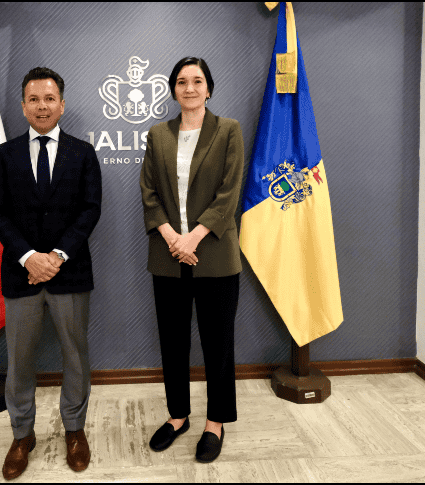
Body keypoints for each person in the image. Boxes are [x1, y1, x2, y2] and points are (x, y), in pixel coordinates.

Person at [0, 67, 102, 480]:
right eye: (34, 99)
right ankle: (22, 436)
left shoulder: (83, 153)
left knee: (76, 354)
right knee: (19, 360)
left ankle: (75, 431)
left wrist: (54, 256)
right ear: (22, 106)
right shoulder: (4, 155)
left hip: (70, 273)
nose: (42, 106)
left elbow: (90, 210)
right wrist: (29, 258)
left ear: (62, 104)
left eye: (49, 99)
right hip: (21, 276)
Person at [139, 57, 243, 463]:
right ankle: (178, 416)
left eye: (197, 81)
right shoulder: (158, 134)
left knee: (218, 343)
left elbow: (229, 192)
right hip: (168, 257)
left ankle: (215, 422)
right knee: (173, 341)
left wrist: (194, 236)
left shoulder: (229, 130)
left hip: (214, 253)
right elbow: (149, 193)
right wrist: (172, 238)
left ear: (209, 89)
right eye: (182, 82)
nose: (190, 88)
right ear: (173, 90)